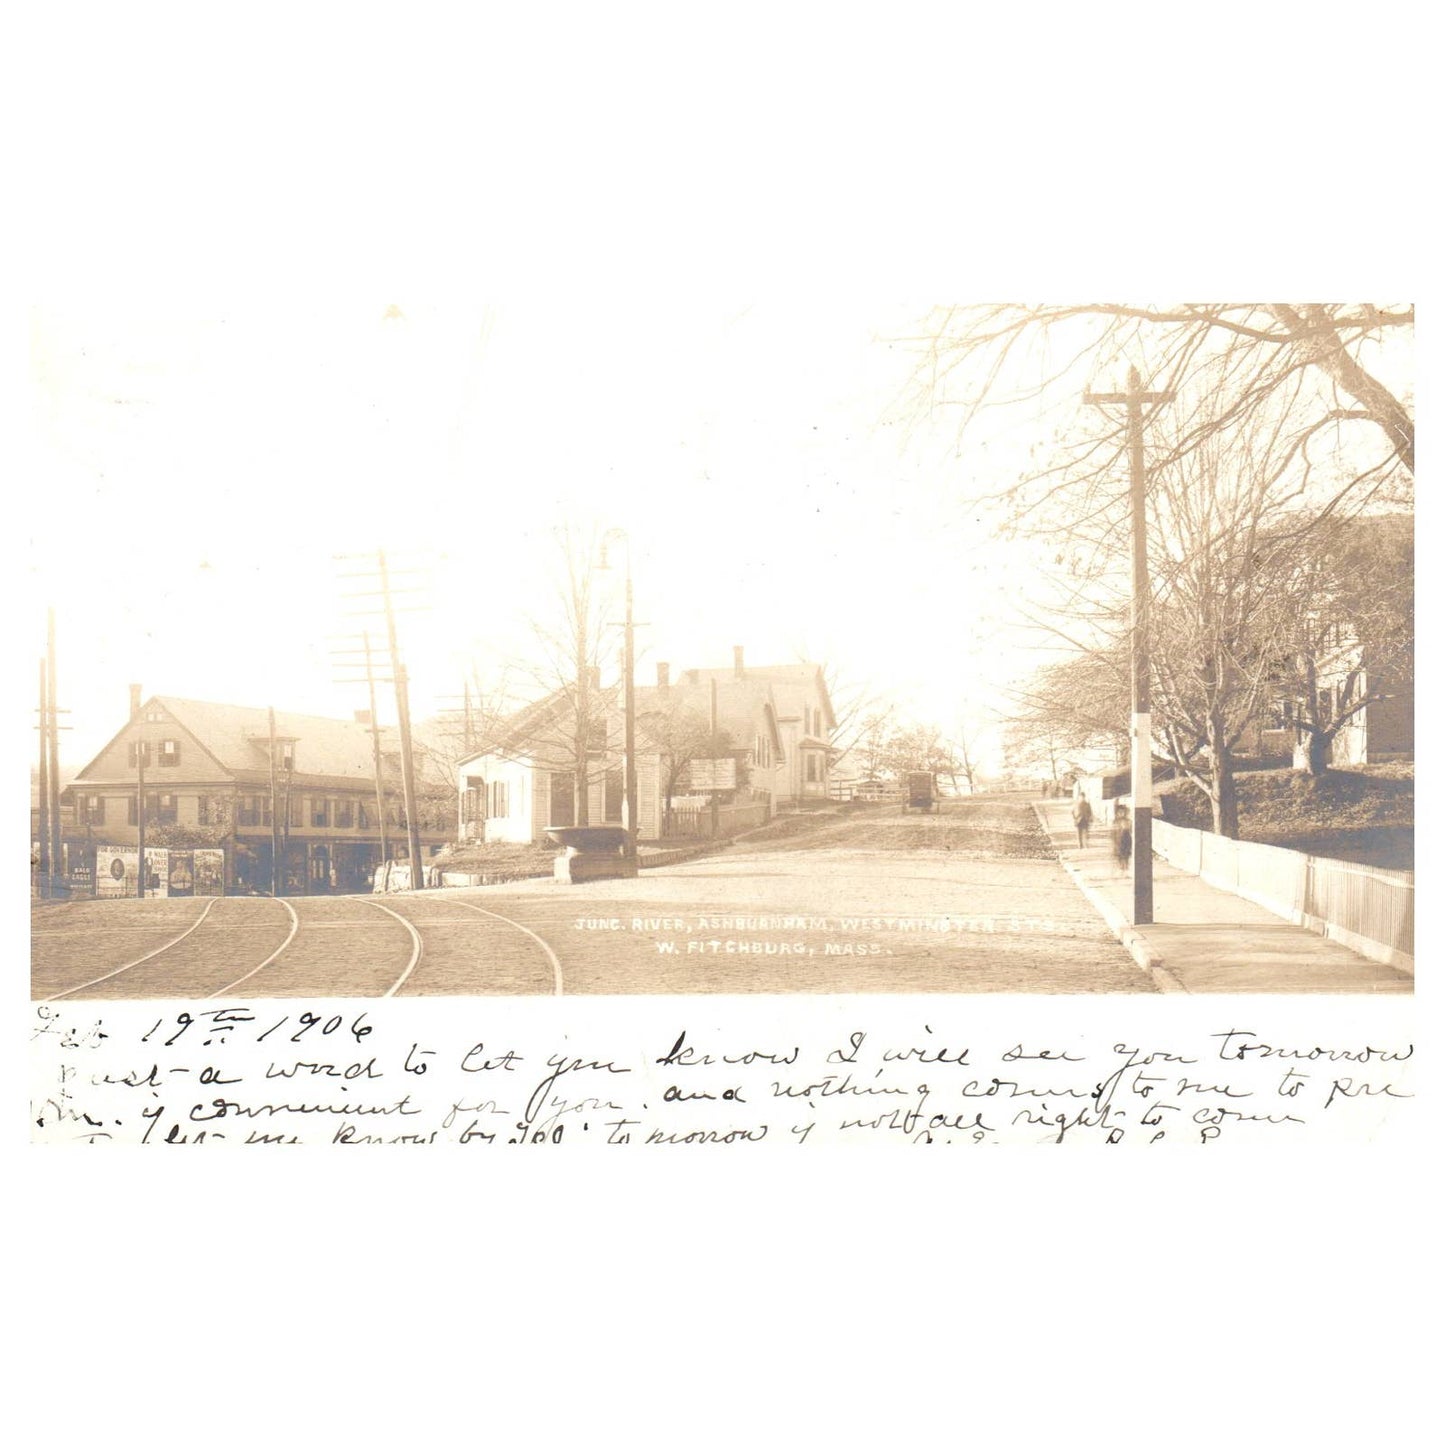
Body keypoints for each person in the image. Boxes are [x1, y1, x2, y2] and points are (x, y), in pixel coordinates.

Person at [1113, 802, 1132, 871]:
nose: (1121, 814)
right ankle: (1121, 867)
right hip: (1118, 840)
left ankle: (1126, 866)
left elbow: (1130, 830)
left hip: (1126, 839)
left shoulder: (1128, 821)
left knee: (1126, 854)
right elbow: (1114, 832)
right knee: (1120, 855)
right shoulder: (1115, 821)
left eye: (1123, 812)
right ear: (1117, 813)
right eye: (1120, 812)